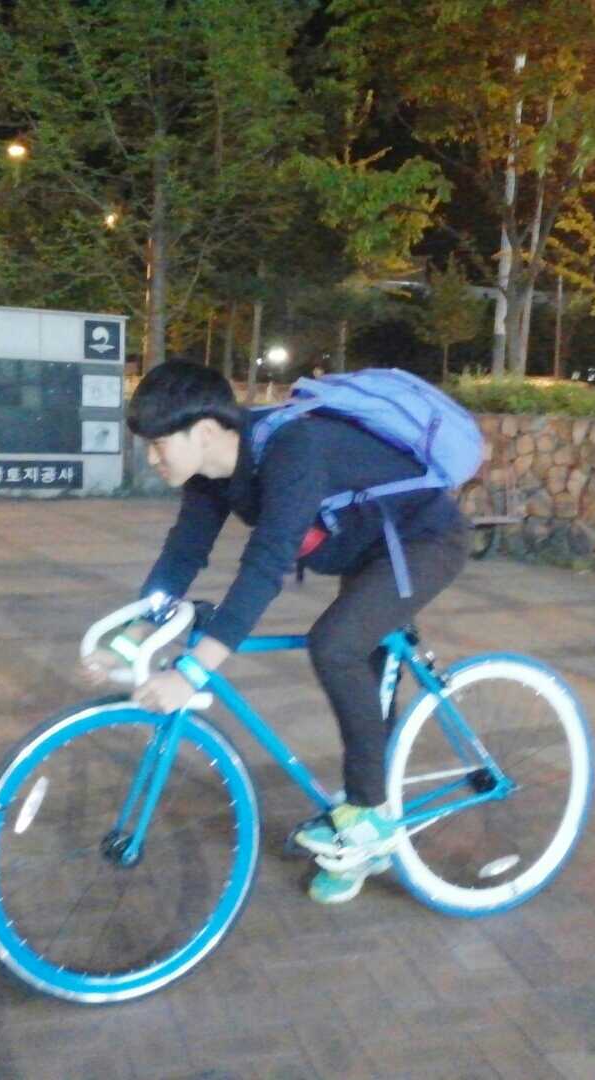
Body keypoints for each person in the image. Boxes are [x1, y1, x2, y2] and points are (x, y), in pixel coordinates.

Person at [78, 360, 470, 904]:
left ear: (205, 431)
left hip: (424, 542)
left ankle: (366, 816)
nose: (150, 458)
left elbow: (266, 565)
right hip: (367, 549)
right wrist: (130, 638)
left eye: (157, 444)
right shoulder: (210, 476)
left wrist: (192, 672)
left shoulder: (294, 449)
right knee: (360, 664)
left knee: (336, 645)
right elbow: (184, 553)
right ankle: (367, 834)